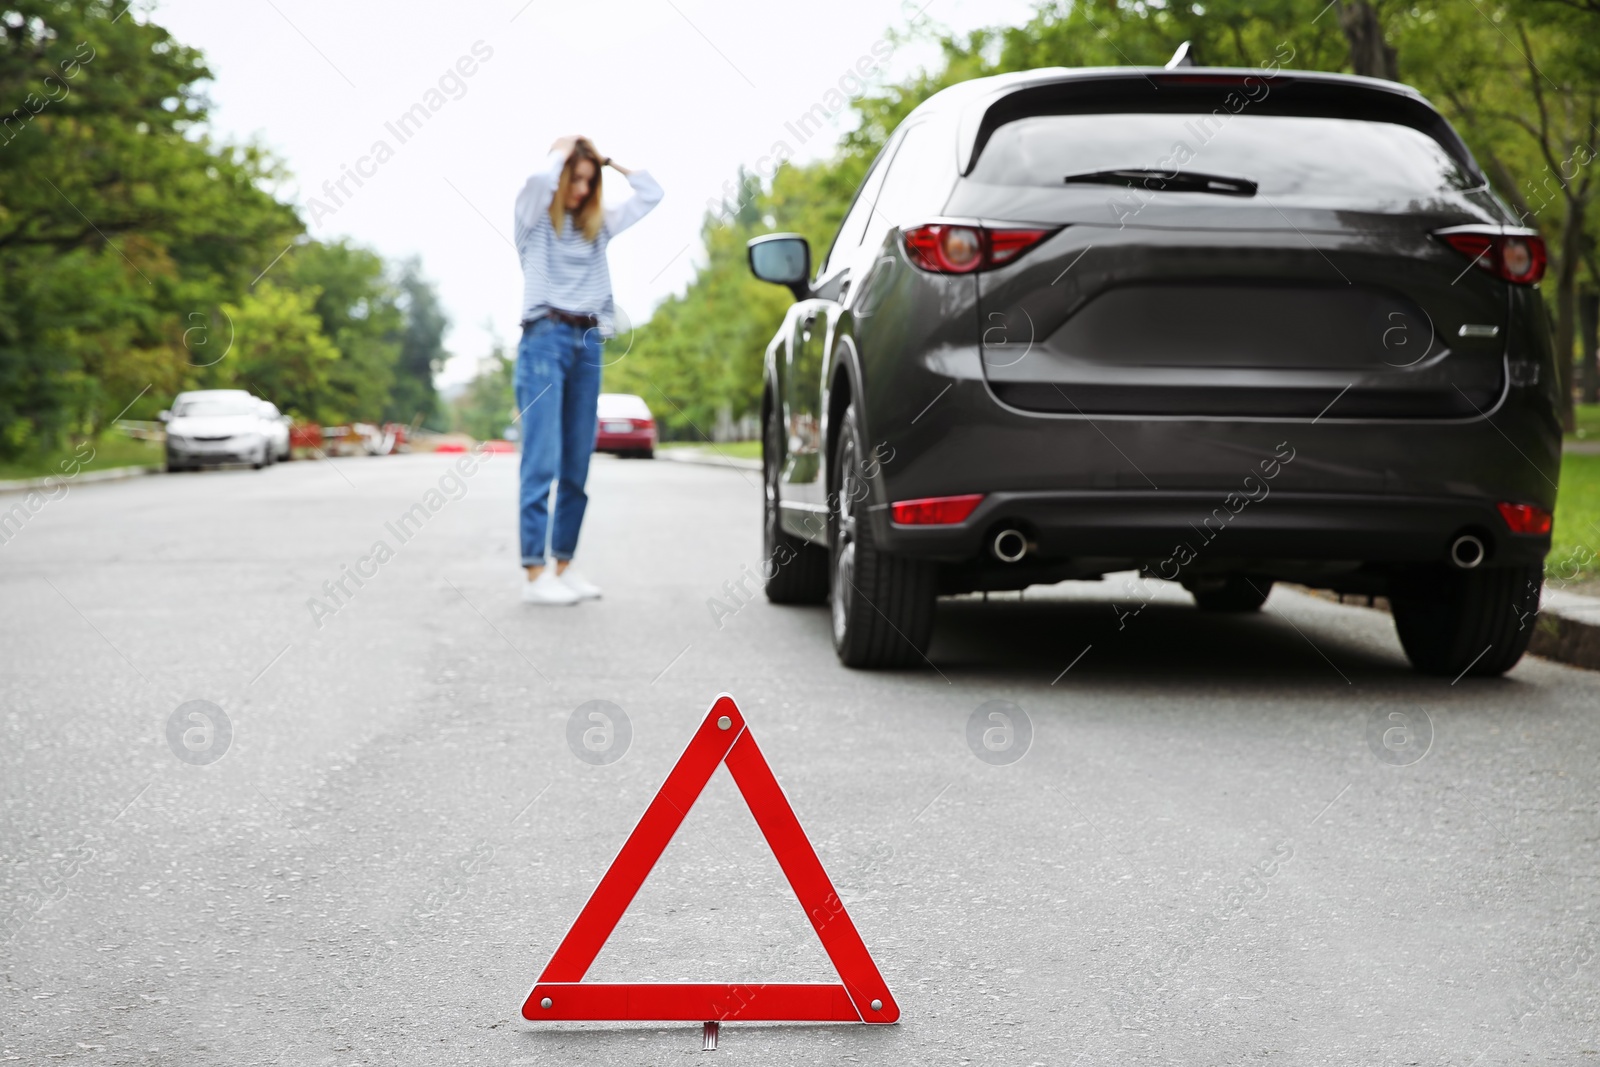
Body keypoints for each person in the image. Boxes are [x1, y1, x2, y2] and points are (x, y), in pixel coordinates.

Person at [512, 135, 662, 605]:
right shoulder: (533, 219)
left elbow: (652, 193)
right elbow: (538, 179)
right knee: (542, 460)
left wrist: (608, 160)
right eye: (573, 179)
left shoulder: (599, 226)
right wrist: (567, 149)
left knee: (577, 462)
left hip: (587, 340)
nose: (579, 189)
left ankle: (563, 563)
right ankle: (535, 575)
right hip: (544, 338)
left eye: (587, 180)